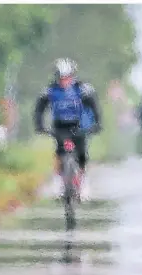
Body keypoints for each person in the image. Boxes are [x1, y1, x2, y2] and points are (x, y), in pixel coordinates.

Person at [34, 58, 102, 201]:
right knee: (60, 152)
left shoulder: (82, 89)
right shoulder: (51, 90)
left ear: (72, 76)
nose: (64, 81)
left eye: (67, 78)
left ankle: (83, 184)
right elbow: (39, 108)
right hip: (60, 126)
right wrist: (39, 125)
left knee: (82, 153)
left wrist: (97, 123)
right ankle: (58, 182)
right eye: (61, 78)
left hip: (78, 125)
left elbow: (94, 106)